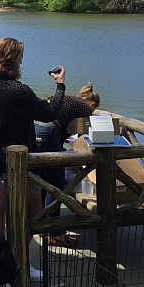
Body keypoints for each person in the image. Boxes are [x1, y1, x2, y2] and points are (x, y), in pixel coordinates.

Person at [0, 37, 65, 282]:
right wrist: (60, 86)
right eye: (20, 56)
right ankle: (16, 260)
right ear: (13, 59)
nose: (22, 60)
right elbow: (49, 112)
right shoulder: (18, 90)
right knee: (33, 213)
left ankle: (0, 258)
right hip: (20, 164)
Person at [34, 82, 100, 245]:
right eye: (94, 110)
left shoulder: (69, 100)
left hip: (34, 127)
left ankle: (43, 226)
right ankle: (55, 233)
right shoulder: (85, 109)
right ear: (92, 104)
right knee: (55, 183)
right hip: (48, 132)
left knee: (43, 179)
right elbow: (85, 139)